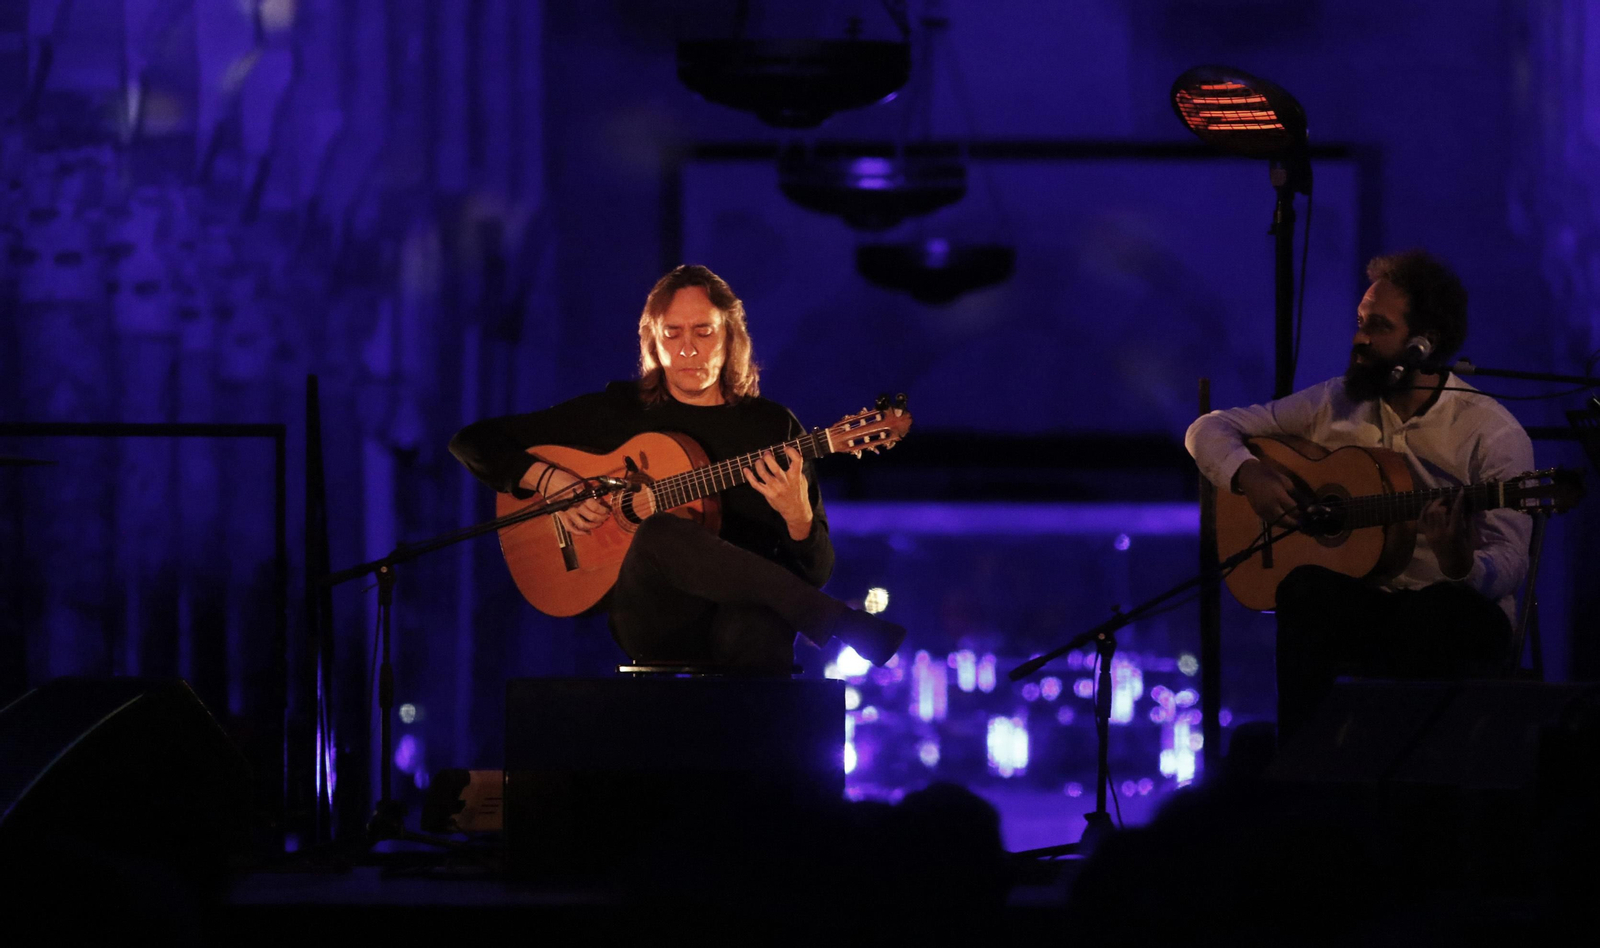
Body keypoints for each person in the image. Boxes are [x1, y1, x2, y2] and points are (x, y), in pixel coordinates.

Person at [449, 264, 904, 674]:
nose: (688, 349)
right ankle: (838, 620)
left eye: (703, 332)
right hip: (654, 615)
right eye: (673, 334)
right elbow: (472, 441)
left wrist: (798, 518)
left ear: (730, 339)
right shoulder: (619, 413)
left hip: (745, 615)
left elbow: (816, 571)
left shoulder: (772, 427)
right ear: (653, 341)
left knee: (758, 628)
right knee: (659, 531)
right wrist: (551, 480)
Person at [1185, 250, 1534, 741]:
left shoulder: (1491, 432)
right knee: (1305, 590)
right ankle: (1303, 768)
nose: (1359, 338)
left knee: (1438, 611)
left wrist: (1461, 564)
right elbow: (1210, 428)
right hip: (1372, 602)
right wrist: (1248, 476)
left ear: (1421, 346)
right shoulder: (1337, 401)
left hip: (1456, 614)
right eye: (1360, 321)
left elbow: (1512, 561)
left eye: (1377, 327)